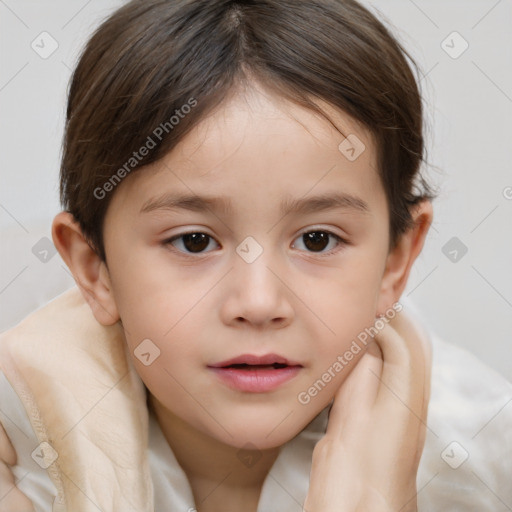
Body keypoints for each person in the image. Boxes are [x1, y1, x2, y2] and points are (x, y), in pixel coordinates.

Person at [1, 1, 511, 511]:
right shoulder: (21, 449)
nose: (260, 301)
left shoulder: (486, 462)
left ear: (395, 259)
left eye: (317, 240)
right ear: (95, 270)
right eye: (194, 241)